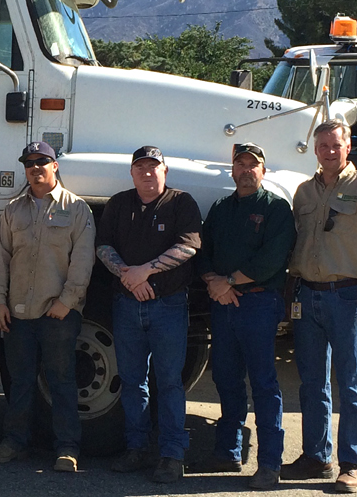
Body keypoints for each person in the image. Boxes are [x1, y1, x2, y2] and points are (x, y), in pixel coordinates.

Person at [282, 122, 357, 494]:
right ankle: (315, 456)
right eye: (323, 145)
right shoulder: (303, 192)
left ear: (348, 148)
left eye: (336, 145)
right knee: (312, 382)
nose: (329, 151)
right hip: (307, 295)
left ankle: (352, 464)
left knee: (351, 383)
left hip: (347, 297)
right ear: (315, 150)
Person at [0, 140, 95, 474]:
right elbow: (0, 258)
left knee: (62, 382)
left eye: (42, 162)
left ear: (54, 166)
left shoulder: (77, 209)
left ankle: (66, 449)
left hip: (57, 313)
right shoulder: (13, 210)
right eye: (29, 163)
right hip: (17, 314)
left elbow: (83, 260)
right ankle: (15, 443)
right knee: (19, 383)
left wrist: (67, 302)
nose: (35, 168)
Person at [192, 142, 297, 489]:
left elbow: (273, 257)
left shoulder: (276, 208)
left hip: (258, 303)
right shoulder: (221, 209)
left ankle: (269, 463)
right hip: (223, 304)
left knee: (263, 384)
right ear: (232, 170)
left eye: (254, 165)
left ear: (263, 171)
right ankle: (227, 451)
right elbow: (202, 250)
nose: (247, 170)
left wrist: (230, 281)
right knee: (225, 378)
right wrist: (213, 282)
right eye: (240, 164)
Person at [96, 145, 203, 483]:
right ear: (131, 173)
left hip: (168, 305)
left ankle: (172, 455)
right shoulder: (119, 203)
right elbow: (103, 247)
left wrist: (146, 272)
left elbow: (188, 247)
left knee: (170, 383)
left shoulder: (180, 202)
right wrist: (128, 275)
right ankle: (136, 448)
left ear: (165, 171)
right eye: (140, 167)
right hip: (127, 304)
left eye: (153, 167)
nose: (147, 172)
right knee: (132, 382)